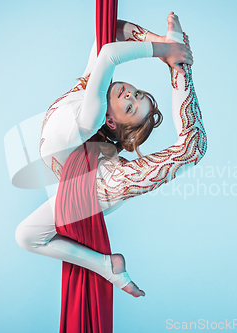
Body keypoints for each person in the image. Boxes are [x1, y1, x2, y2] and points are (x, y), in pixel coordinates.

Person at [15, 13, 206, 298]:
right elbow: (112, 32)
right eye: (137, 94)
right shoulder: (87, 88)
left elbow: (109, 55)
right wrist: (162, 44)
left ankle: (108, 269)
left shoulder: (90, 117)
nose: (130, 95)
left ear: (111, 122)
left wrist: (171, 53)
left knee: (192, 148)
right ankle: (107, 266)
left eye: (130, 107)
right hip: (77, 173)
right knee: (26, 235)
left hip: (99, 185)